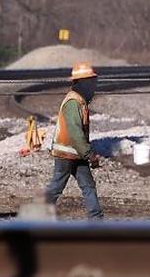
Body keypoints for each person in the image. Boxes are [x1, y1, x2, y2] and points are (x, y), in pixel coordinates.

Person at [43, 62, 104, 218]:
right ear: (81, 83)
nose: (93, 86)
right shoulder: (73, 102)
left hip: (77, 153)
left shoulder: (80, 101)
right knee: (57, 186)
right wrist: (89, 154)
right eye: (90, 82)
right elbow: (75, 132)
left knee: (88, 185)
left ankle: (96, 220)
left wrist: (86, 153)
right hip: (66, 153)